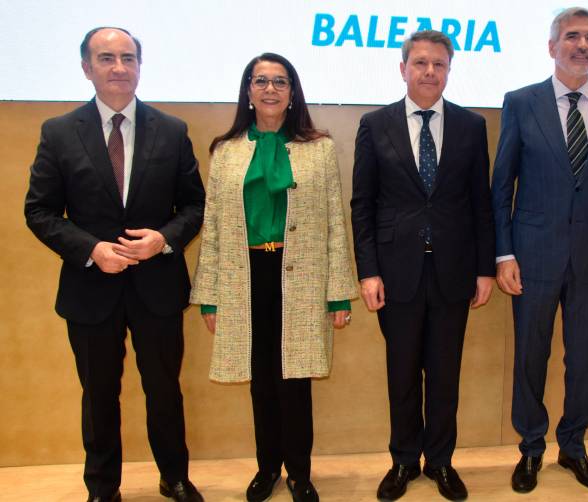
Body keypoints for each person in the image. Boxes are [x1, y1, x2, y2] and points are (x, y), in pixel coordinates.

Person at [23, 27, 205, 502]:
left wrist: (163, 240)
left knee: (164, 390)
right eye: (107, 58)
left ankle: (176, 477)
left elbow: (195, 206)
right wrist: (90, 249)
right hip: (91, 289)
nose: (119, 67)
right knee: (99, 395)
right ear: (87, 68)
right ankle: (103, 486)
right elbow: (39, 211)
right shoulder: (59, 132)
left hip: (158, 286)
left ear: (140, 67)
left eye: (128, 58)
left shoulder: (172, 130)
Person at [189, 53, 357, 502]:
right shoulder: (226, 151)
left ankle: (300, 473)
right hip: (245, 277)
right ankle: (268, 469)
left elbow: (334, 226)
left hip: (300, 276)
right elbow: (214, 228)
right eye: (260, 80)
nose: (269, 89)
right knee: (261, 380)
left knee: (295, 380)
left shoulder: (318, 148)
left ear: (292, 92)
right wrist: (209, 297)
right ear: (247, 91)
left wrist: (339, 295)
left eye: (279, 81)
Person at [491, 6, 588, 494]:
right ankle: (531, 448)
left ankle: (573, 446)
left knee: (584, 358)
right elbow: (501, 186)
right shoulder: (521, 101)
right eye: (572, 37)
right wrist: (504, 254)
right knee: (531, 356)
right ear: (552, 47)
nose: (582, 45)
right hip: (532, 256)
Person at [350, 30, 495, 502]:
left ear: (449, 70)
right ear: (403, 68)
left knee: (445, 374)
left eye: (439, 64)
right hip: (396, 273)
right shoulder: (376, 124)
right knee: (402, 374)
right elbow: (363, 205)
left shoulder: (472, 127)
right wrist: (368, 271)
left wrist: (484, 269)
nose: (430, 72)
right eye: (420, 63)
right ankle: (403, 461)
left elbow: (481, 204)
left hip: (454, 271)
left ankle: (442, 462)